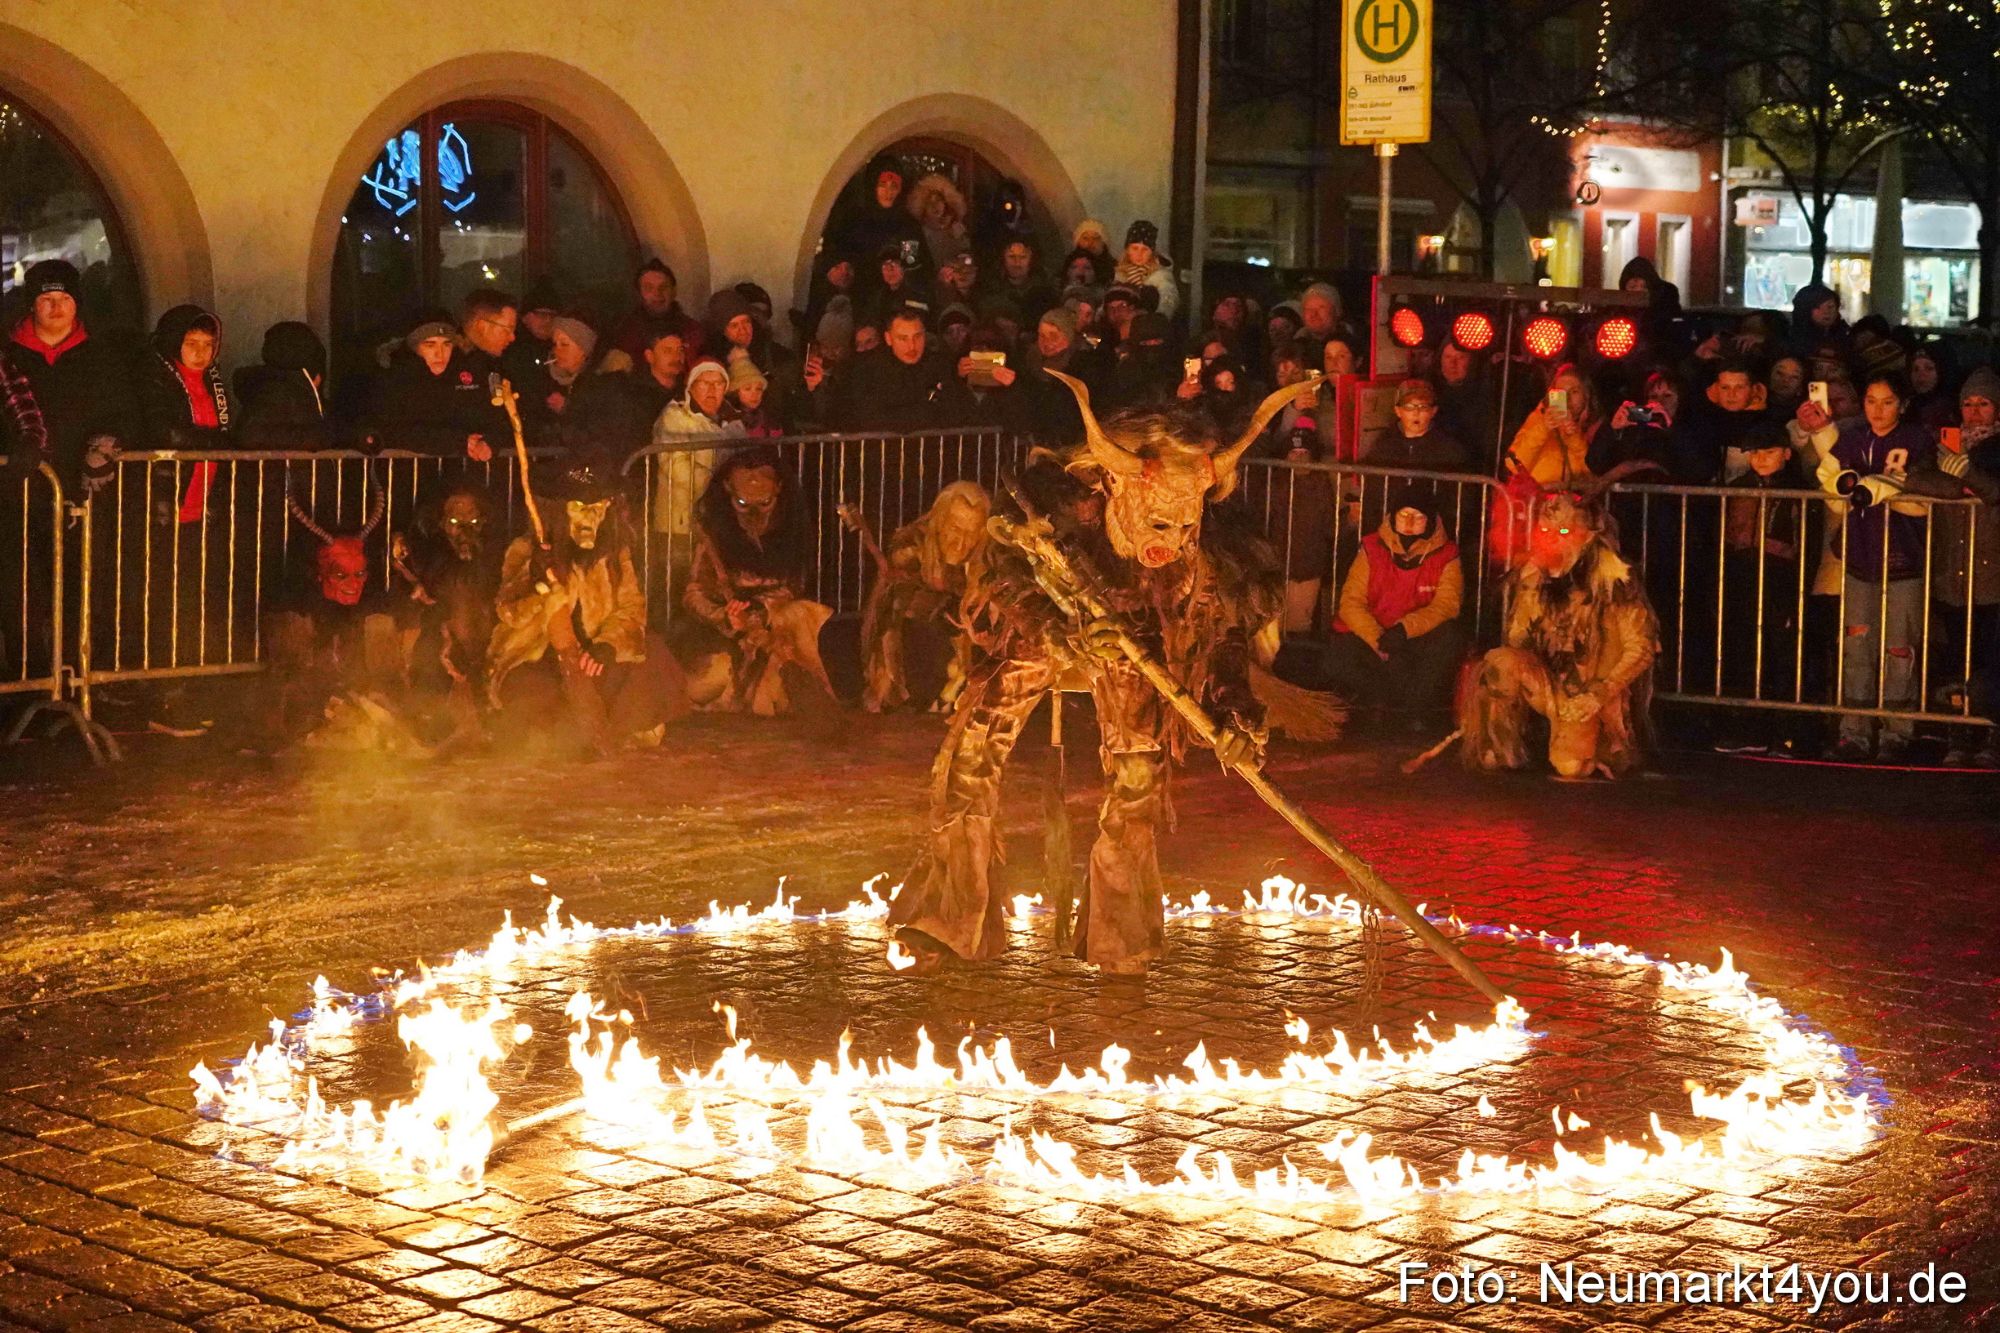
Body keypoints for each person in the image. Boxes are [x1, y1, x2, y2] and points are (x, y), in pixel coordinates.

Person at [888, 376, 1300, 977]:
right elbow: (1008, 572)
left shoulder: (1205, 553)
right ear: (1112, 481)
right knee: (975, 750)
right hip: (1047, 626)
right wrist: (1058, 631)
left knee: (1137, 774)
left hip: (1135, 648)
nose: (1172, 539)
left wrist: (1235, 714)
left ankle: (1121, 934)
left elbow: (1221, 634)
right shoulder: (1058, 507)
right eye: (1159, 521)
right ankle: (946, 919)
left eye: (1186, 523)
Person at [1461, 466, 1661, 778]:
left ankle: (1601, 742)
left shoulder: (1614, 581)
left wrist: (1600, 693)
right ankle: (1502, 747)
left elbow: (1641, 647)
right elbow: (1517, 639)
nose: (1553, 540)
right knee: (1499, 662)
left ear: (1590, 535)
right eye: (1545, 531)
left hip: (1591, 689)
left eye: (1565, 532)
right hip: (1549, 681)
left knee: (1571, 765)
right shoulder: (1533, 576)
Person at [487, 455, 685, 755]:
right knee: (534, 700)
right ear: (559, 510)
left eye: (598, 507)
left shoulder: (615, 553)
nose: (590, 518)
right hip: (539, 657)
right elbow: (508, 611)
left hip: (594, 654)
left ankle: (616, 728)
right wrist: (541, 587)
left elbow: (632, 608)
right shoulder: (526, 550)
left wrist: (606, 646)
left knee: (651, 655)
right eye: (579, 508)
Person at [1799, 372, 1939, 761]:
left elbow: (1923, 487)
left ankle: (1897, 731)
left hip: (1904, 557)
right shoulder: (1855, 438)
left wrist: (1885, 487)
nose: (1878, 410)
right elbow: (1832, 477)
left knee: (1899, 649)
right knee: (1857, 645)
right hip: (1860, 556)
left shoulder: (1916, 439)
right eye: (1871, 401)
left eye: (1887, 401)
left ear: (1903, 404)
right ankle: (1854, 729)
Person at [1277, 484, 1465, 734]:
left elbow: (1446, 605)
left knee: (1449, 640)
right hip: (1374, 637)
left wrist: (1404, 630)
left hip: (1412, 636)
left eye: (1418, 517)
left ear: (1430, 521)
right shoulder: (1372, 548)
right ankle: (1382, 702)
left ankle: (1413, 709)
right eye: (1403, 515)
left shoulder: (1446, 555)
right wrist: (1378, 639)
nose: (1409, 523)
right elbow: (1351, 602)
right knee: (1338, 658)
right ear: (1393, 516)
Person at [678, 446, 837, 715]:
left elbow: (794, 585)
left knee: (799, 614)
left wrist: (761, 611)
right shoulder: (713, 537)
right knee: (707, 680)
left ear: (779, 491)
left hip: (777, 625)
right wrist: (723, 616)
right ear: (728, 490)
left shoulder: (793, 532)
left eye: (764, 504)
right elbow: (693, 594)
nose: (753, 514)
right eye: (742, 504)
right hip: (725, 639)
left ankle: (801, 690)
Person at [1714, 420, 1816, 753]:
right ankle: (1749, 730)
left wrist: (1799, 586)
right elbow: (1730, 537)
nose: (1760, 458)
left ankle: (1787, 732)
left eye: (1768, 452)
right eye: (1755, 452)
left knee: (1783, 655)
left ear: (1787, 453)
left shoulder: (1800, 489)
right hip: (1744, 577)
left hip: (1782, 580)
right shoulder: (1741, 485)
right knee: (1745, 652)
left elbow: (1806, 545)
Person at [852, 481, 992, 714]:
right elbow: (912, 603)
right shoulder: (909, 544)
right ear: (939, 521)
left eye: (971, 533)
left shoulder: (983, 558)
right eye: (956, 529)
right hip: (906, 646)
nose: (961, 543)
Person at [3, 258, 140, 493]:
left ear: (77, 303)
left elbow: (125, 413)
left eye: (65, 299)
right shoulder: (8, 358)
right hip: (19, 491)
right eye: (47, 299)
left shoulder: (102, 355)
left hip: (85, 489)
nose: (57, 308)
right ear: (32, 305)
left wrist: (106, 446)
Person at [1926, 367, 2000, 765]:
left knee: (1992, 660)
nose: (1974, 412)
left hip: (1993, 573)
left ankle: (1991, 737)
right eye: (1968, 404)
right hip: (1951, 569)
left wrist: (1968, 474)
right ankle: (1960, 731)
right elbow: (1936, 486)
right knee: (1957, 658)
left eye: (1983, 404)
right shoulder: (1946, 446)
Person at [363, 316, 506, 460]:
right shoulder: (394, 379)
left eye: (446, 344)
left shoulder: (466, 375)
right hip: (403, 474)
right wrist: (457, 441)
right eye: (430, 345)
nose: (440, 353)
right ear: (415, 348)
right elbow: (393, 431)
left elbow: (493, 421)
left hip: (459, 474)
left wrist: (488, 442)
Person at [816, 308, 970, 431]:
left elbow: (953, 412)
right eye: (903, 338)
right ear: (889, 338)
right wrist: (926, 407)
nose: (912, 346)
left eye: (917, 337)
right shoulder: (867, 369)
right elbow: (870, 418)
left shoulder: (938, 364)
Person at [234, 322, 332, 452]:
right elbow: (251, 435)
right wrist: (316, 438)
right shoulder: (276, 393)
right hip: (280, 471)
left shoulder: (270, 389)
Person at [1505, 363, 1600, 486]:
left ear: (1586, 395)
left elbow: (1593, 474)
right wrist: (1544, 428)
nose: (1567, 398)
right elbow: (1513, 465)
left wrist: (1573, 437)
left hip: (1570, 502)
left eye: (1574, 391)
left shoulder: (1593, 427)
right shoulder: (1538, 419)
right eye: (1561, 392)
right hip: (1534, 502)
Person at [608, 259, 703, 365]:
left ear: (673, 291)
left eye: (664, 287)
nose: (657, 293)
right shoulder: (625, 333)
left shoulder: (692, 331)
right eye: (649, 288)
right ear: (639, 294)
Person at [1364, 379, 1469, 472]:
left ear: (1433, 411)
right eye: (1409, 407)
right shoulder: (1383, 446)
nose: (1416, 412)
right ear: (1398, 411)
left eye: (1423, 406)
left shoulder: (1450, 450)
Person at [905, 174, 969, 286]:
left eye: (939, 200)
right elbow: (908, 267)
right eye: (930, 202)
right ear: (922, 206)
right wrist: (935, 278)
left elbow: (967, 258)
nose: (935, 206)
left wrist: (962, 263)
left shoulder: (957, 229)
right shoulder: (911, 233)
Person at [1114, 221, 1178, 320]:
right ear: (1128, 250)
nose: (1139, 254)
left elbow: (1169, 298)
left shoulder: (1160, 275)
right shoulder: (1120, 274)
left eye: (1145, 249)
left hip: (1150, 323)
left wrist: (1158, 318)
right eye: (1135, 248)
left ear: (1152, 252)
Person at [457, 288, 518, 386]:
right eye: (507, 329)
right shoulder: (449, 368)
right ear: (482, 326)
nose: (512, 337)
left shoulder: (494, 364)